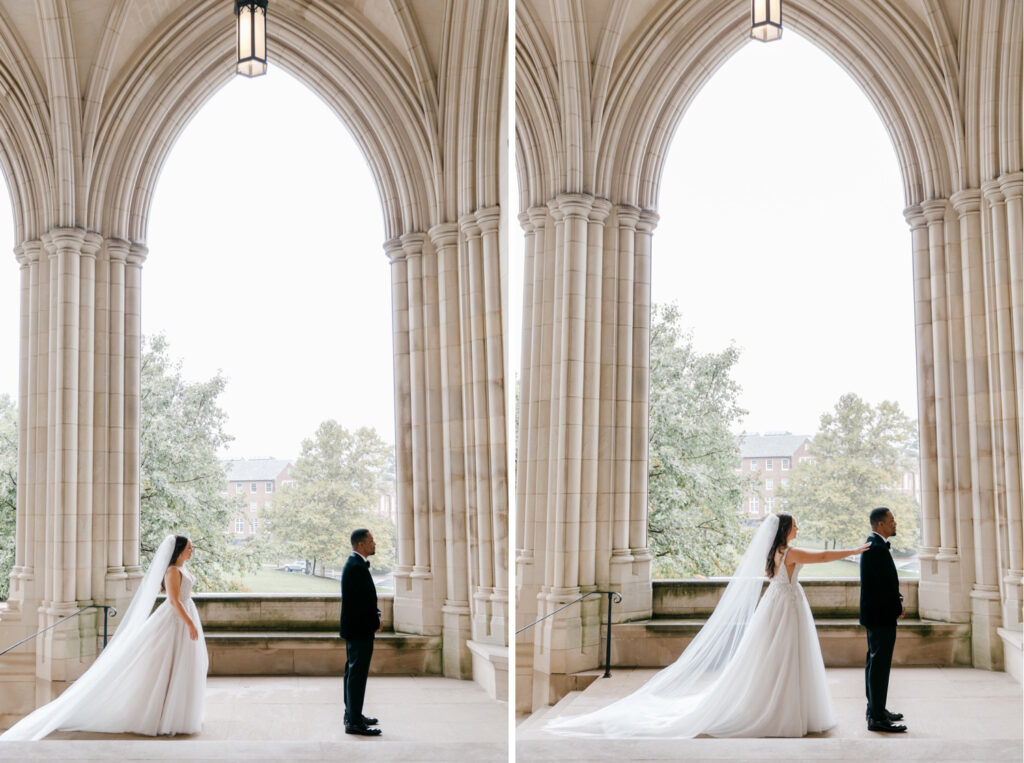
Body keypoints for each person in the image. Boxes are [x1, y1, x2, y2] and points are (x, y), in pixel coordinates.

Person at [546, 512, 869, 738]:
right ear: (785, 530)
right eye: (795, 525)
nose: (799, 528)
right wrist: (855, 550)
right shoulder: (792, 551)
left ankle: (781, 702)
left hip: (777, 604)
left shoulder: (776, 553)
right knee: (785, 655)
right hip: (787, 606)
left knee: (773, 656)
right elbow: (825, 556)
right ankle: (781, 708)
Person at [1, 534, 208, 740]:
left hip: (184, 616)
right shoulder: (172, 571)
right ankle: (160, 714)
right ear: (179, 551)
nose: (192, 551)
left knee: (181, 665)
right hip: (174, 620)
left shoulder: (181, 568)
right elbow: (173, 600)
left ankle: (175, 713)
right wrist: (189, 622)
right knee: (164, 665)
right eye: (189, 547)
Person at [860, 506, 907, 732]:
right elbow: (879, 587)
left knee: (875, 664)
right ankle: (877, 717)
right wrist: (897, 605)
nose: (894, 523)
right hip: (880, 616)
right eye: (891, 520)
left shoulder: (876, 545)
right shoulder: (876, 547)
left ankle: (876, 709)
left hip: (878, 614)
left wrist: (897, 598)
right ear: (880, 524)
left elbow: (886, 582)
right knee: (879, 666)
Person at [340, 528, 382, 736]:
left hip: (356, 629)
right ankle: (354, 722)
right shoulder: (356, 566)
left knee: (353, 673)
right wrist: (375, 621)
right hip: (359, 630)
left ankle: (353, 714)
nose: (374, 544)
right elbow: (359, 605)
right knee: (357, 675)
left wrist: (376, 613)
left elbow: (365, 598)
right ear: (361, 544)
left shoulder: (355, 564)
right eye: (371, 540)